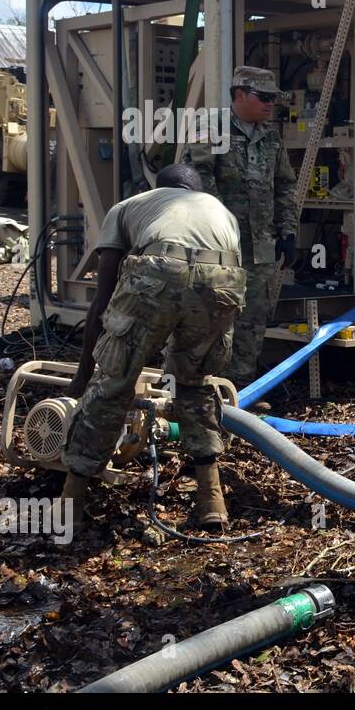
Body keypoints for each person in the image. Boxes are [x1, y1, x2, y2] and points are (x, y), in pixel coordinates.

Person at [55, 163, 247, 533]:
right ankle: (212, 501)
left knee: (113, 383)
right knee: (193, 384)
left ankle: (71, 502)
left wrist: (82, 375)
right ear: (197, 188)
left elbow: (104, 296)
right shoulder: (221, 211)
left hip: (160, 269)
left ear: (159, 187)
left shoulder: (131, 205)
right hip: (224, 280)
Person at [187, 65, 298, 386]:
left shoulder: (271, 137)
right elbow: (198, 179)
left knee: (251, 324)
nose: (269, 104)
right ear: (238, 95)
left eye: (272, 98)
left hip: (259, 249)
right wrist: (221, 228)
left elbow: (285, 185)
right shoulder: (209, 127)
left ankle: (241, 394)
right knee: (212, 322)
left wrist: (288, 230)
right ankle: (204, 391)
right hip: (217, 250)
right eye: (262, 97)